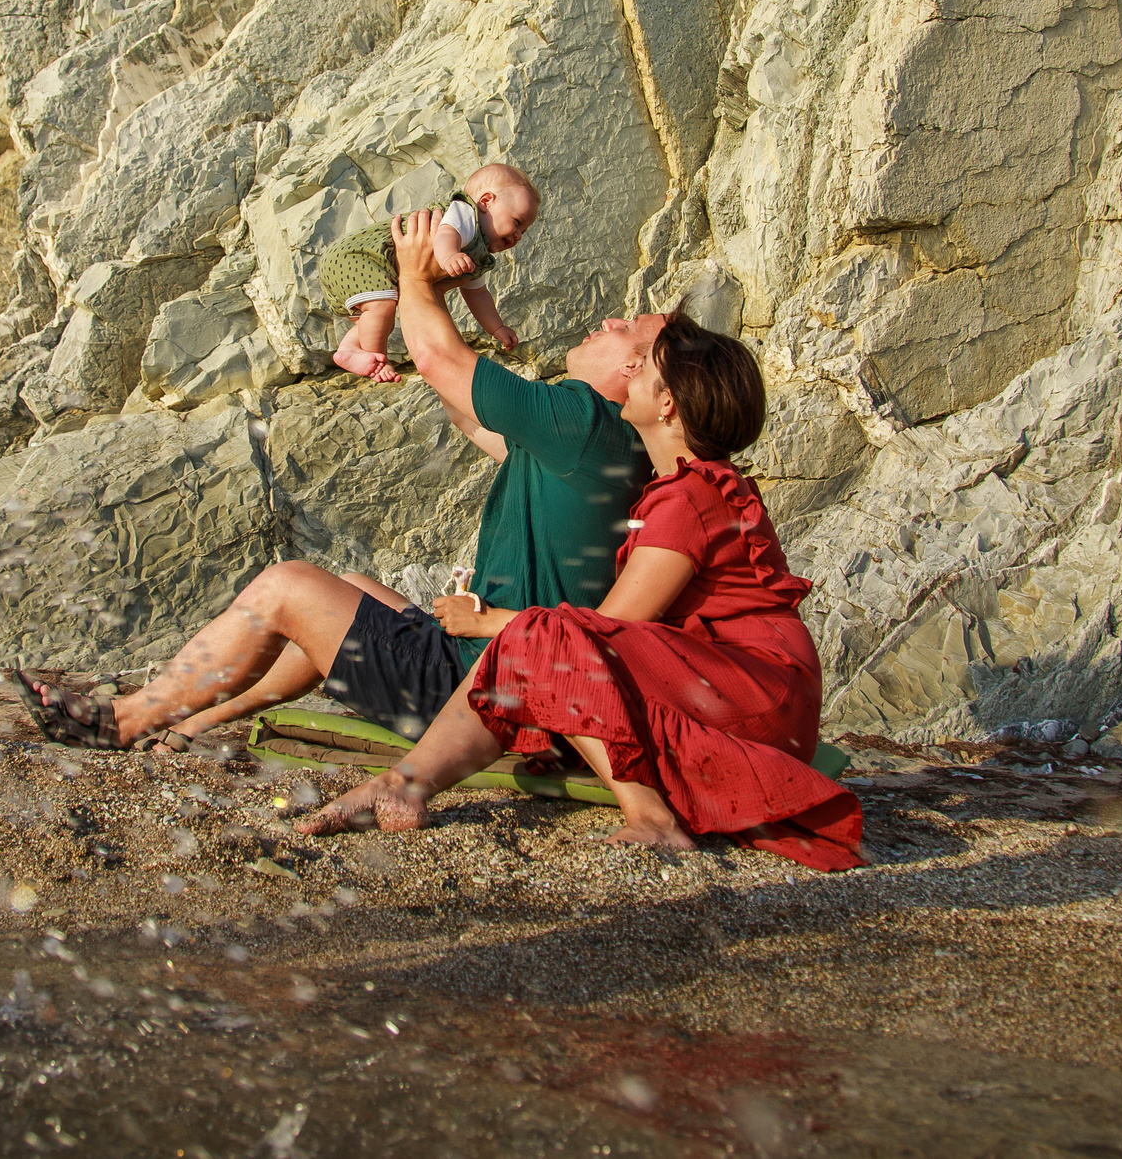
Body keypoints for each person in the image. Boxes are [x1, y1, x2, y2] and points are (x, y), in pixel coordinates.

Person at [15, 208, 655, 750]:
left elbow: (438, 356)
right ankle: (210, 713)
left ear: (633, 367)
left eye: (623, 327)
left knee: (287, 586)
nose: (607, 323)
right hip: (507, 671)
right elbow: (470, 416)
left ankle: (123, 722)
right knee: (350, 589)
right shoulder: (602, 441)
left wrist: (411, 276)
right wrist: (423, 336)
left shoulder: (581, 419)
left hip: (476, 691)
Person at [298, 311, 865, 872]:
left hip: (756, 697)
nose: (633, 373)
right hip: (742, 687)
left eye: (645, 369)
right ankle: (406, 786)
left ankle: (646, 819)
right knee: (544, 640)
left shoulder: (689, 500)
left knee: (552, 643)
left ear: (666, 403)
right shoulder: (681, 488)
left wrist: (492, 621)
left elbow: (608, 629)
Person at [316, 162, 538, 381]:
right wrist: (449, 255)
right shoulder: (465, 214)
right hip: (361, 256)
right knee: (381, 308)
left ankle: (349, 348)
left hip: (368, 268)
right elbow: (445, 234)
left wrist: (496, 327)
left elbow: (478, 295)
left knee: (380, 318)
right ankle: (378, 360)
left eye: (524, 230)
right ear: (486, 201)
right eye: (517, 221)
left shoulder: (477, 253)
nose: (518, 235)